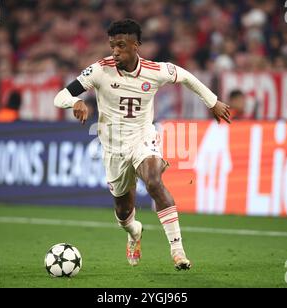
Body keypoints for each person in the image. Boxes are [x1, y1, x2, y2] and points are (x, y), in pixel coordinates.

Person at [54, 19, 231, 271]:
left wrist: (212, 102)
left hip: (143, 139)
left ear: (136, 45)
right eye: (112, 45)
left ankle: (178, 251)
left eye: (121, 45)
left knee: (153, 180)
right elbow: (61, 94)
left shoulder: (155, 70)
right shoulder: (99, 70)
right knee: (124, 212)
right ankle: (134, 232)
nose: (115, 51)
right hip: (113, 149)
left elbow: (187, 77)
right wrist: (74, 102)